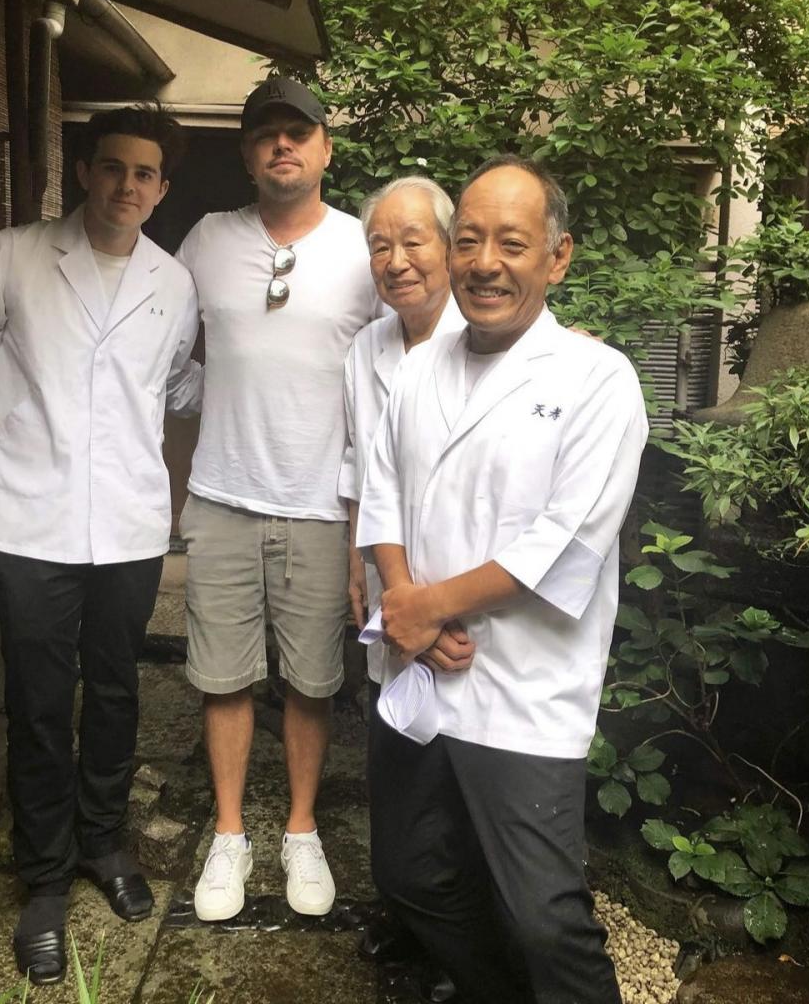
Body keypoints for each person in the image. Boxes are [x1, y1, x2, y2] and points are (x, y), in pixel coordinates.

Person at [0, 105, 201, 985]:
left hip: (128, 525)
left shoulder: (172, 281)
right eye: (113, 167)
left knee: (116, 691)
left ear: (161, 187)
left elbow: (180, 390)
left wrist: (180, 492)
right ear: (84, 171)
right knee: (38, 699)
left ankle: (103, 843)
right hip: (28, 521)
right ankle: (41, 877)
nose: (128, 186)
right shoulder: (13, 255)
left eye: (146, 174)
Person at [357, 155, 648, 1004]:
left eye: (511, 244)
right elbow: (383, 493)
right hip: (420, 668)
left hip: (523, 687)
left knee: (542, 917)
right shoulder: (418, 369)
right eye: (471, 241)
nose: (486, 262)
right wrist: (407, 605)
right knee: (410, 875)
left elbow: (563, 542)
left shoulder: (597, 380)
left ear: (555, 258)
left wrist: (424, 606)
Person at [174, 77, 380, 922]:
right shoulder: (205, 240)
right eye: (265, 135)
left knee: (311, 681)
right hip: (222, 492)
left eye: (299, 133)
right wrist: (204, 396)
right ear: (247, 153)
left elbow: (411, 356)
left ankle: (300, 829)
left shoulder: (366, 248)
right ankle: (229, 835)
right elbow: (165, 351)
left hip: (319, 501)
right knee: (221, 678)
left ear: (327, 148)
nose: (282, 146)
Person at [340, 176, 469, 1002]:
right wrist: (360, 573)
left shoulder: (487, 337)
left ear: (451, 246)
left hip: (461, 609)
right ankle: (408, 913)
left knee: (455, 773)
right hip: (389, 594)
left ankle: (454, 941)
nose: (396, 261)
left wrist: (442, 606)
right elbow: (359, 469)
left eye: (412, 240)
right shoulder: (366, 350)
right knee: (394, 750)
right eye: (380, 246)